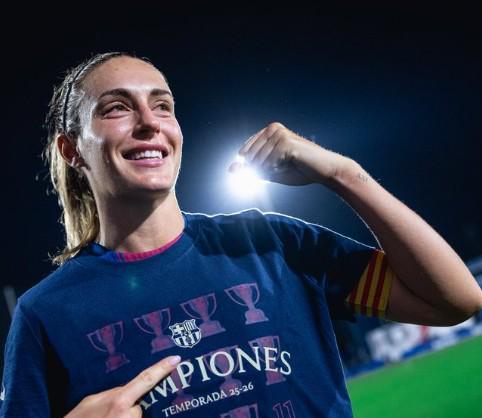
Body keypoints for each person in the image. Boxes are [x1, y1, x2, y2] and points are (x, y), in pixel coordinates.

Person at [1, 51, 481, 418]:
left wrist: (344, 175)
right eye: (117, 108)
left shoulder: (269, 243)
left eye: (163, 106)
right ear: (72, 151)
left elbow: (454, 302)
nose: (149, 123)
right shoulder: (47, 314)